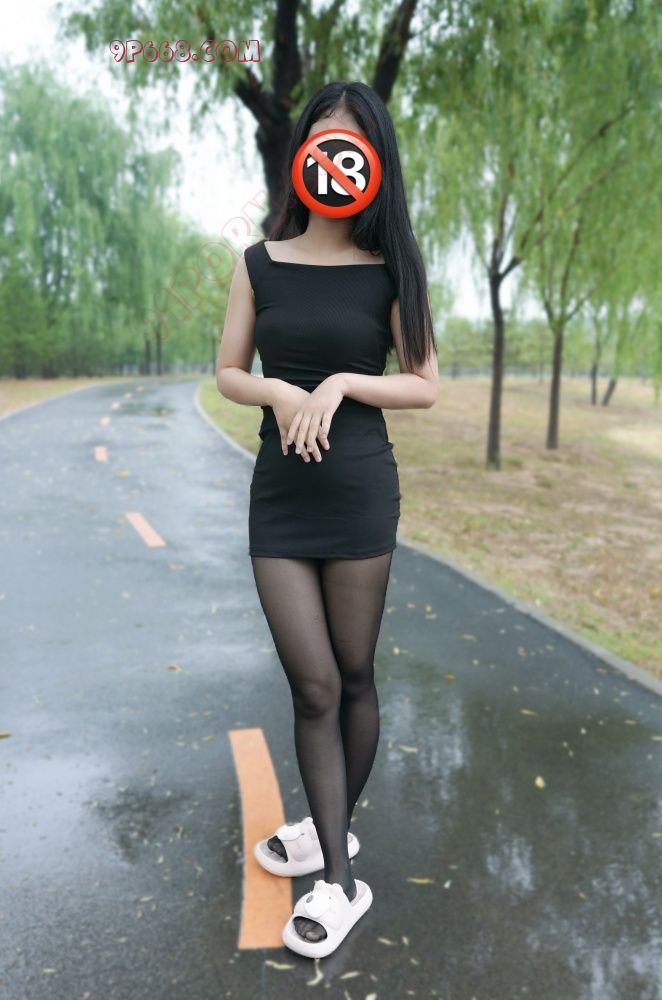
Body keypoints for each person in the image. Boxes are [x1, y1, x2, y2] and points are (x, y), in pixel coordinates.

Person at [216, 80, 438, 958]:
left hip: (357, 493)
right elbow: (229, 372)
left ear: (373, 162)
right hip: (281, 498)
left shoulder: (391, 270)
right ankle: (335, 857)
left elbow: (423, 384)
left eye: (354, 143)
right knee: (311, 686)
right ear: (303, 151)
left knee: (351, 676)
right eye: (324, 138)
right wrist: (277, 390)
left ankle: (334, 864)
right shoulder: (259, 263)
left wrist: (343, 382)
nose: (336, 158)